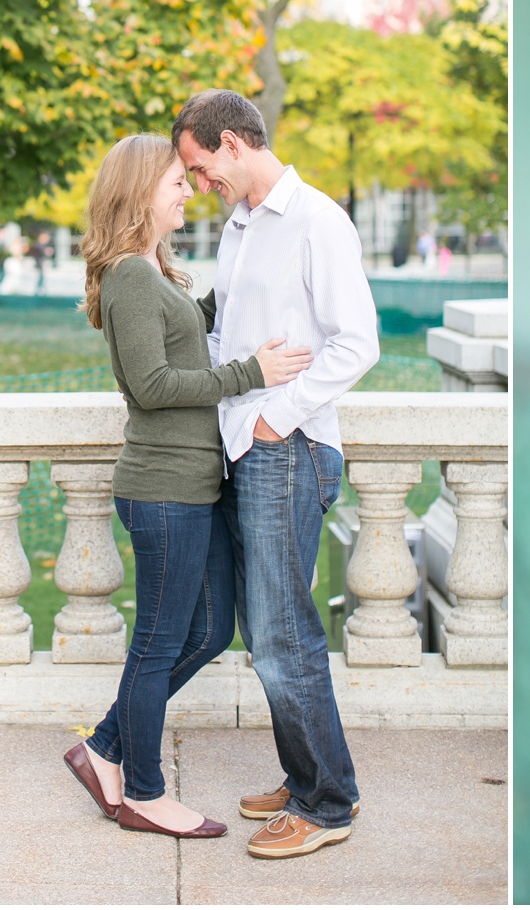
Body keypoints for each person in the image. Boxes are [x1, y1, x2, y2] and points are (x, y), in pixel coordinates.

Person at [62, 133, 312, 839]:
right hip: (163, 488)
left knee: (208, 628)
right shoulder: (130, 276)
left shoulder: (153, 270)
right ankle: (142, 790)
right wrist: (251, 375)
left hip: (191, 486)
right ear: (140, 190)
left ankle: (106, 745)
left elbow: (203, 326)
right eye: (177, 179)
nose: (188, 188)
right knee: (158, 641)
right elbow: (153, 384)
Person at [173, 89, 381, 860]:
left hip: (285, 449)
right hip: (245, 446)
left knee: (285, 633)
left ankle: (328, 803)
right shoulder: (238, 227)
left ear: (231, 142)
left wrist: (278, 416)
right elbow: (232, 332)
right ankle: (305, 780)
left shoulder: (317, 221)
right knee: (266, 628)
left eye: (200, 166)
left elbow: (358, 342)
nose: (199, 184)